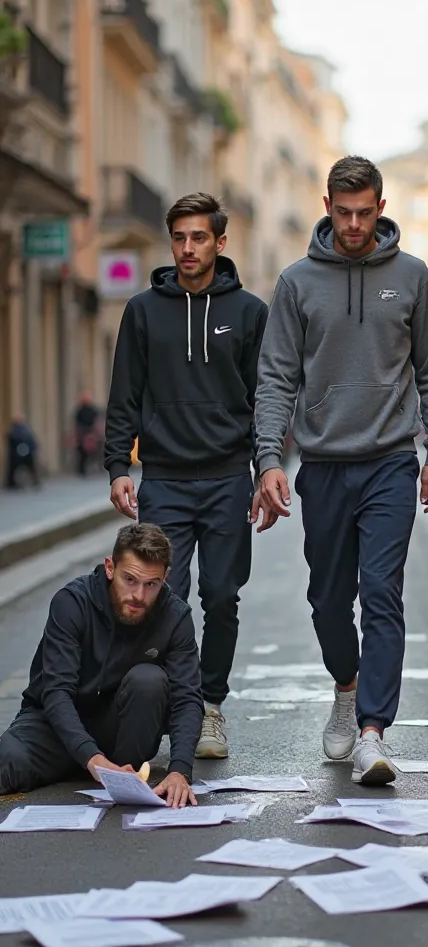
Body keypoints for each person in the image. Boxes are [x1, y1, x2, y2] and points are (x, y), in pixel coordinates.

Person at [254, 156, 428, 786]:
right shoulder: (295, 283)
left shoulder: (414, 277)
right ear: (327, 206)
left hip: (392, 461)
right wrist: (267, 460)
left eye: (367, 212)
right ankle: (346, 686)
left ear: (382, 207)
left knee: (383, 594)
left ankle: (372, 731)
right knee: (328, 601)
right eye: (345, 213)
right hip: (323, 466)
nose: (356, 224)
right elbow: (277, 375)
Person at [105, 193, 272, 761]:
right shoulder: (143, 311)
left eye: (199, 237)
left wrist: (265, 470)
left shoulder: (250, 312)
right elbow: (123, 394)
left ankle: (211, 707)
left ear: (219, 243)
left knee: (222, 596)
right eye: (179, 237)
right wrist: (116, 467)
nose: (188, 248)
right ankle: (168, 707)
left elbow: (263, 399)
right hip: (166, 479)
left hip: (227, 478)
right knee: (161, 598)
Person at [0, 524, 203, 808]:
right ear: (110, 568)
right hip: (55, 726)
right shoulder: (72, 602)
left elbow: (187, 698)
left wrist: (180, 770)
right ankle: (85, 767)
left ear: (165, 578)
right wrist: (92, 758)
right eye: (129, 579)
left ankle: (121, 776)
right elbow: (56, 691)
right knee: (9, 758)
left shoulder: (176, 616)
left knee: (150, 680)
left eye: (151, 584)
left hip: (119, 733)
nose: (139, 596)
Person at [4, 415, 40, 489]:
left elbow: (32, 442)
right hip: (18, 453)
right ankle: (11, 483)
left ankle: (35, 481)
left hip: (23, 453)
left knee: (29, 467)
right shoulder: (16, 431)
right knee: (15, 468)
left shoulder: (23, 430)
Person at [73, 391, 103, 476]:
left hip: (93, 432)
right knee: (81, 451)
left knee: (100, 449)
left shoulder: (94, 410)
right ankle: (82, 470)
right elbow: (77, 423)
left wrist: (96, 432)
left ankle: (100, 466)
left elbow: (97, 421)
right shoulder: (79, 411)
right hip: (83, 433)